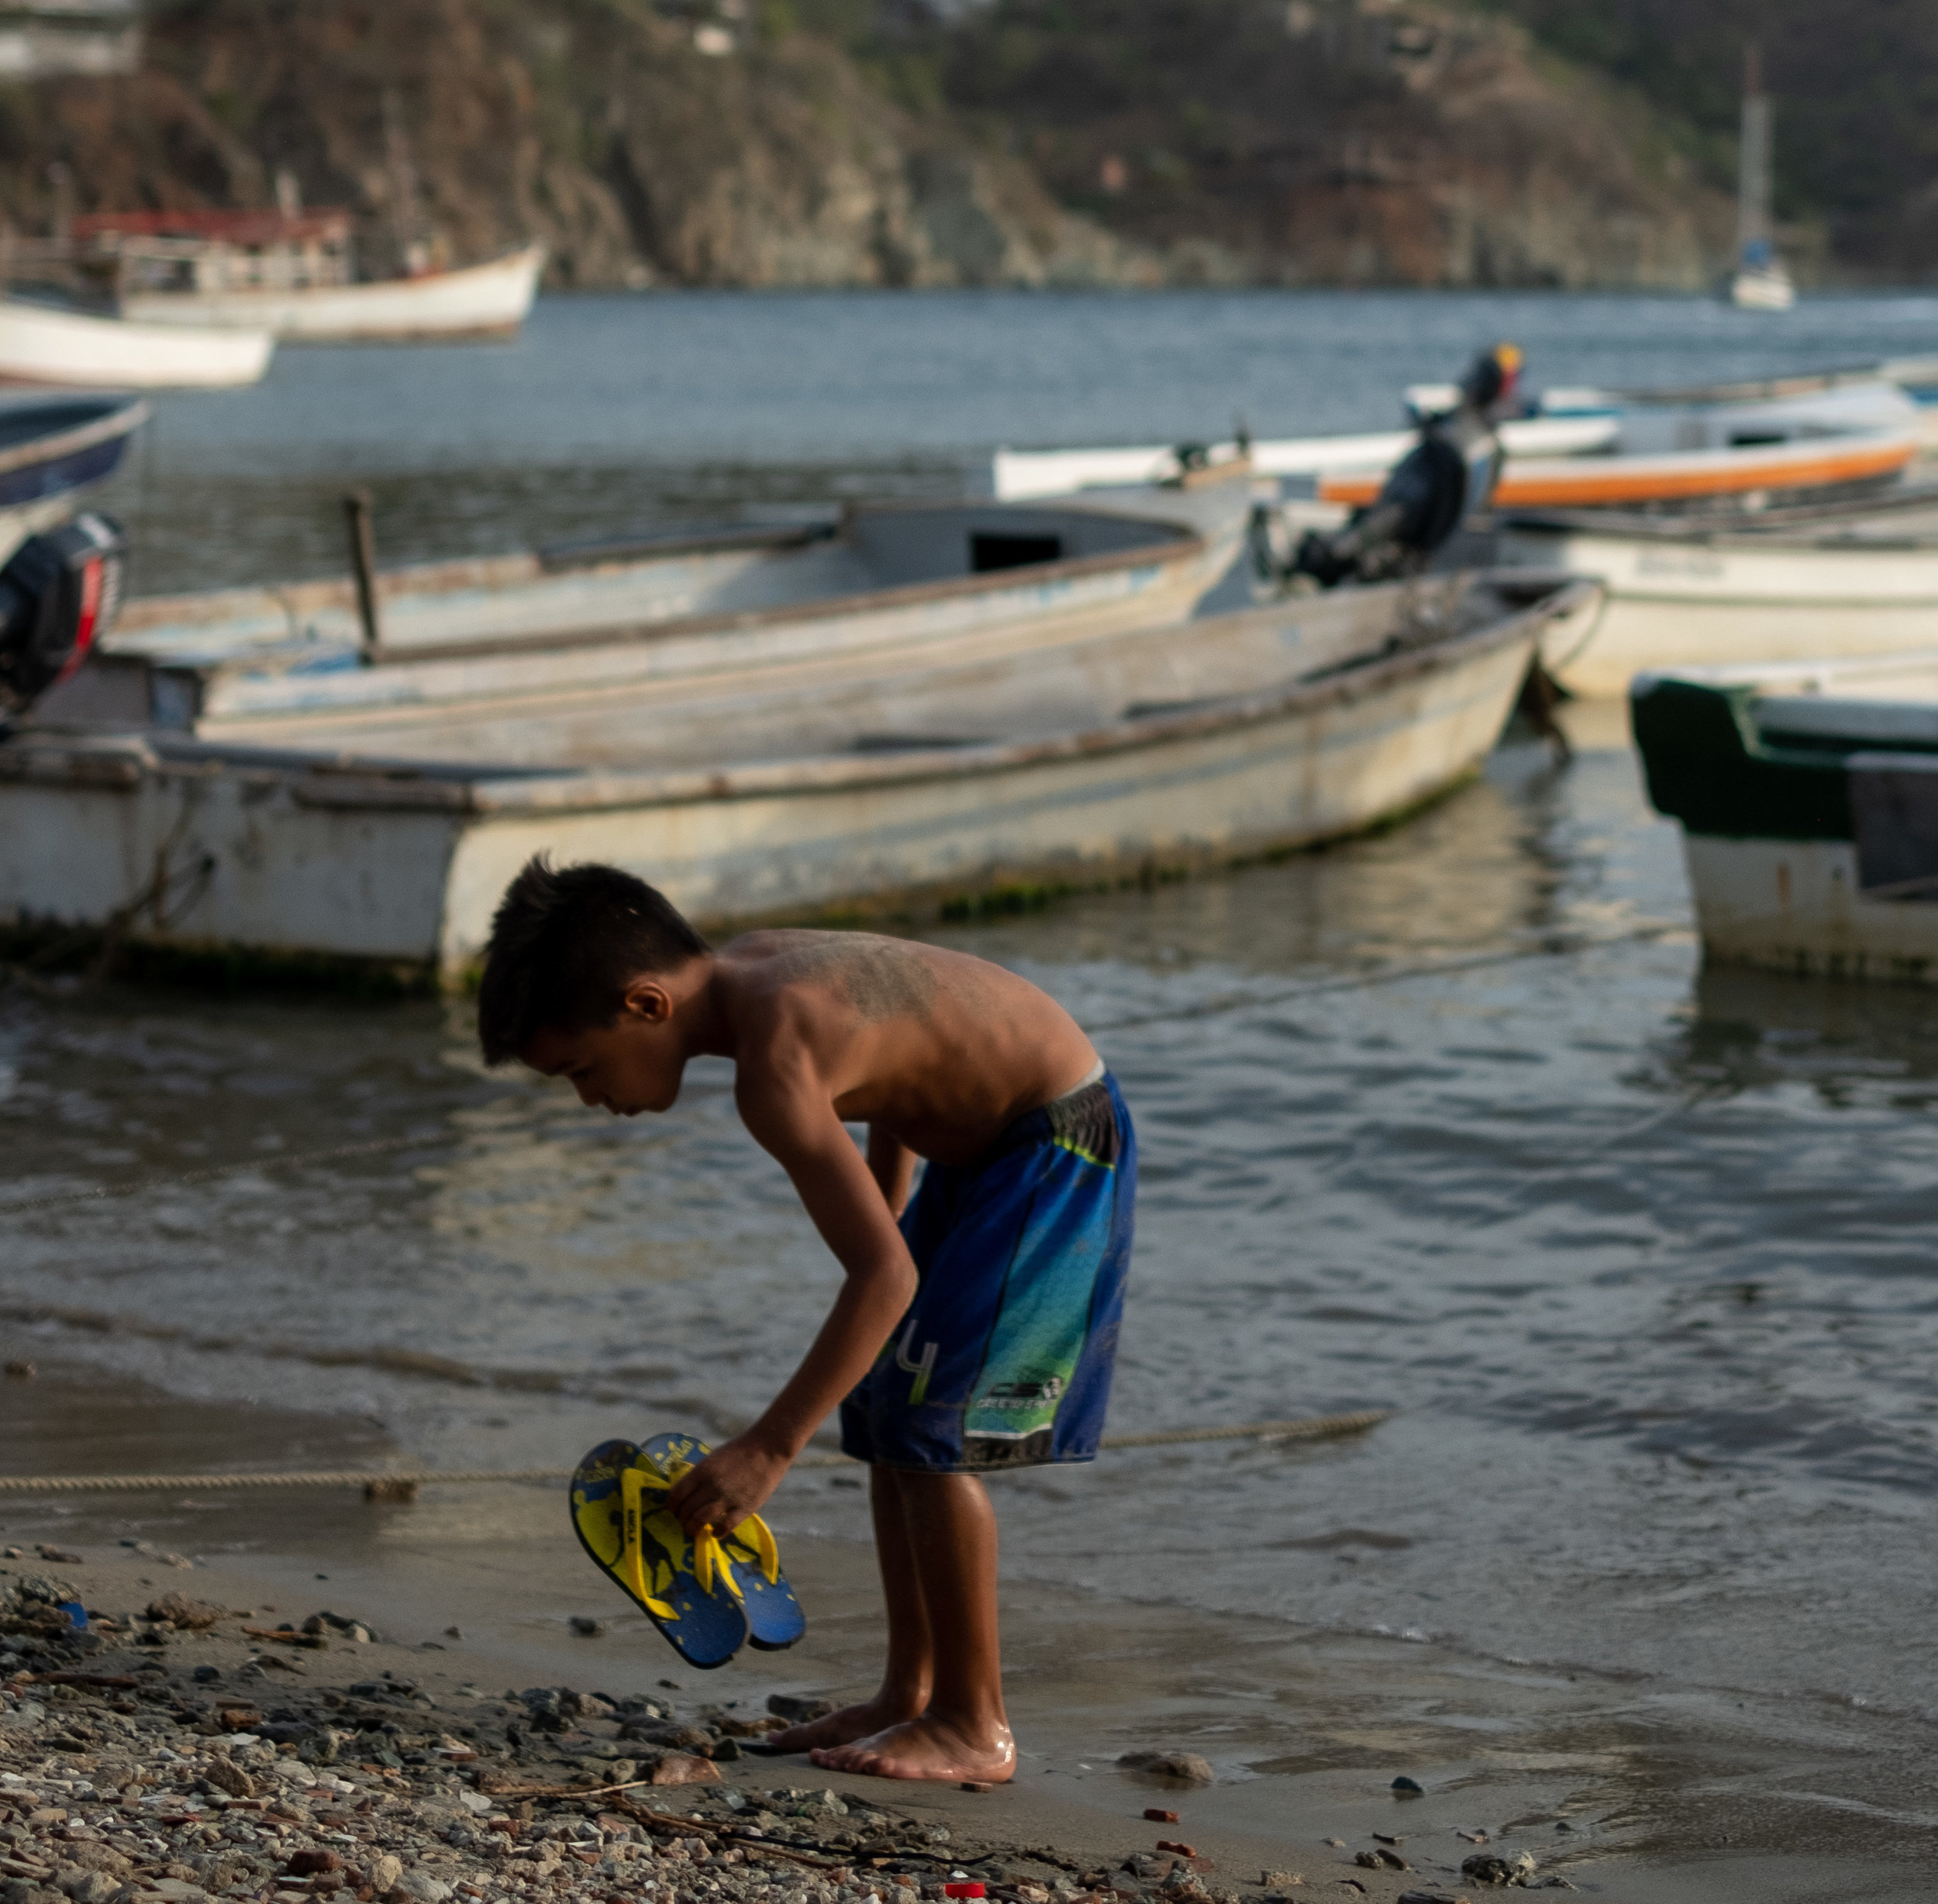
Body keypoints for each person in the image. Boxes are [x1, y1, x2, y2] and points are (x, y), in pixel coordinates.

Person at [476, 857, 1136, 1785]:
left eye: (584, 1069)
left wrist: (769, 1446)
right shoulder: (757, 970)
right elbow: (902, 1053)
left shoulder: (771, 1067)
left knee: (926, 1426)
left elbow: (883, 1274)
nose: (592, 1098)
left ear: (647, 1004)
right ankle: (909, 1690)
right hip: (984, 1147)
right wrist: (898, 1209)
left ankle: (973, 1721)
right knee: (882, 1405)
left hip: (1055, 1142)